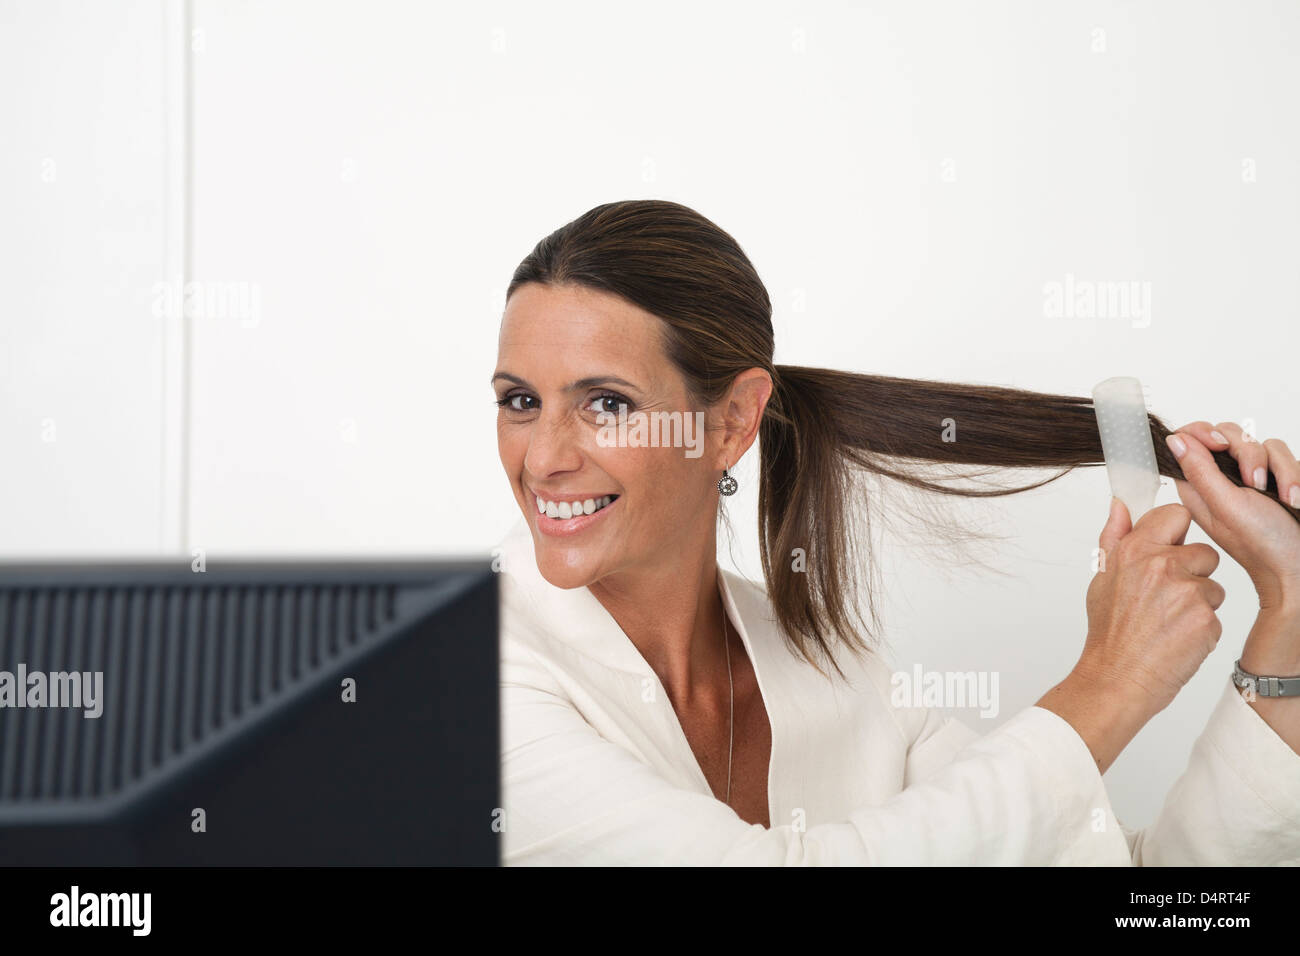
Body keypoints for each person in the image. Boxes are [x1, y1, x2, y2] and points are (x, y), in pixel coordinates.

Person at [490, 199, 1300, 864]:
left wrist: (1288, 614)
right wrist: (1112, 683)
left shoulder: (827, 667)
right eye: (520, 400)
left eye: (606, 404)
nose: (545, 457)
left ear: (733, 421)